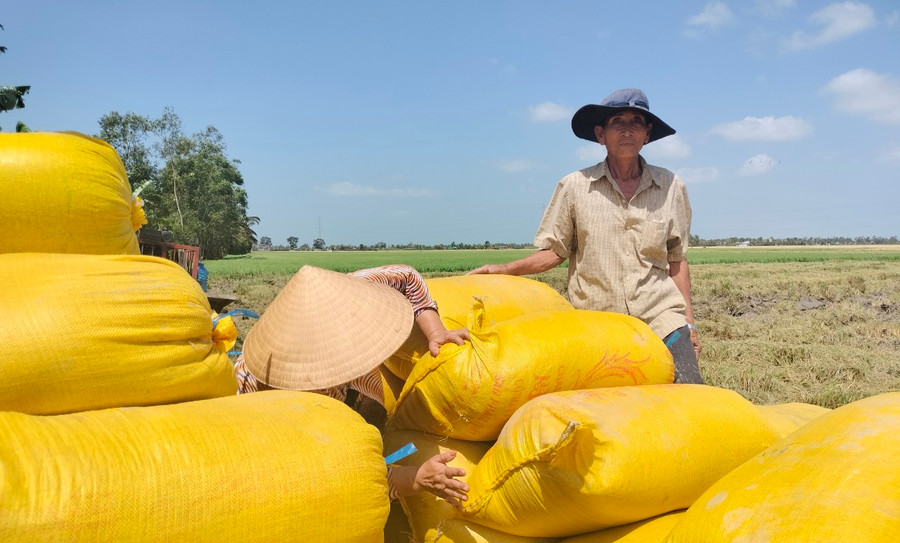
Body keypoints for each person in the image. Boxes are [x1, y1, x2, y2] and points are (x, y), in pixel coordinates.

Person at [469, 88, 703, 384]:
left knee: (688, 387)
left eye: (636, 122)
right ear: (600, 134)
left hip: (661, 316)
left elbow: (677, 260)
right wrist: (505, 269)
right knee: (602, 400)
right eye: (617, 121)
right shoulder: (574, 187)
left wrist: (689, 324)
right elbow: (555, 251)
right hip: (596, 320)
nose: (627, 130)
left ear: (647, 133)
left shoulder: (671, 186)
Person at [233, 263, 471, 507]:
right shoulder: (276, 392)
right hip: (310, 427)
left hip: (354, 392)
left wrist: (435, 331)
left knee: (375, 420)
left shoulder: (351, 290)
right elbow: (328, 474)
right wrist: (414, 479)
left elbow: (409, 278)